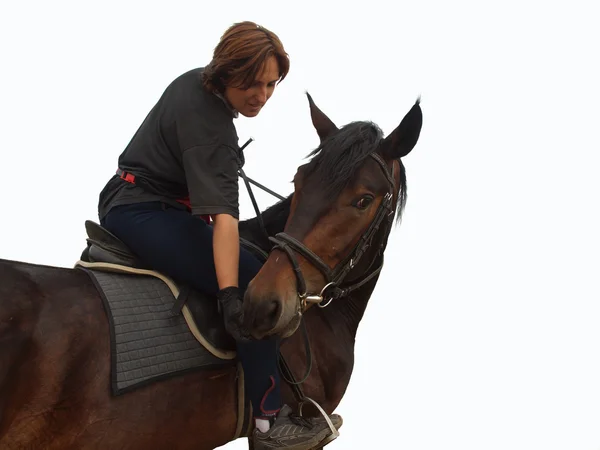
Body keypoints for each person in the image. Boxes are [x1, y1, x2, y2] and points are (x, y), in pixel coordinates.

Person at [97, 21, 342, 449]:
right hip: (140, 210)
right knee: (255, 284)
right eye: (252, 83)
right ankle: (269, 423)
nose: (262, 96)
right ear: (227, 71)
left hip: (146, 202)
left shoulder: (197, 85)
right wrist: (233, 294)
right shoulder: (211, 126)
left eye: (271, 85)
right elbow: (224, 220)